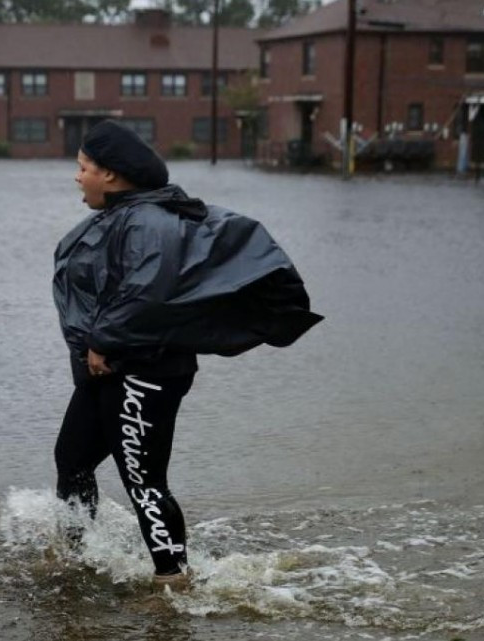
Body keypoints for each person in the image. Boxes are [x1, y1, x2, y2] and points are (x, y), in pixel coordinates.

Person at [51, 120, 321, 588]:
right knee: (71, 458)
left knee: (143, 480)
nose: (77, 177)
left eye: (83, 168)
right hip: (109, 368)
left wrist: (102, 341)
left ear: (111, 175)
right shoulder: (123, 215)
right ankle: (73, 555)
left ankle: (172, 579)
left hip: (146, 370)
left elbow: (147, 293)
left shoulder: (149, 222)